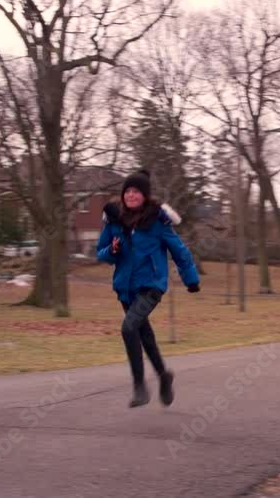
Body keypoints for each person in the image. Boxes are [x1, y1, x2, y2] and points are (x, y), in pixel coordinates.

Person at [97, 169, 200, 407]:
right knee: (144, 334)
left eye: (136, 192)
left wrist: (190, 279)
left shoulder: (157, 221)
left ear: (145, 195)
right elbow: (101, 253)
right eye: (128, 191)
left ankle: (139, 385)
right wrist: (111, 251)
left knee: (128, 327)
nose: (131, 195)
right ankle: (164, 376)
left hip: (151, 285)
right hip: (125, 287)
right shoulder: (114, 221)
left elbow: (179, 251)